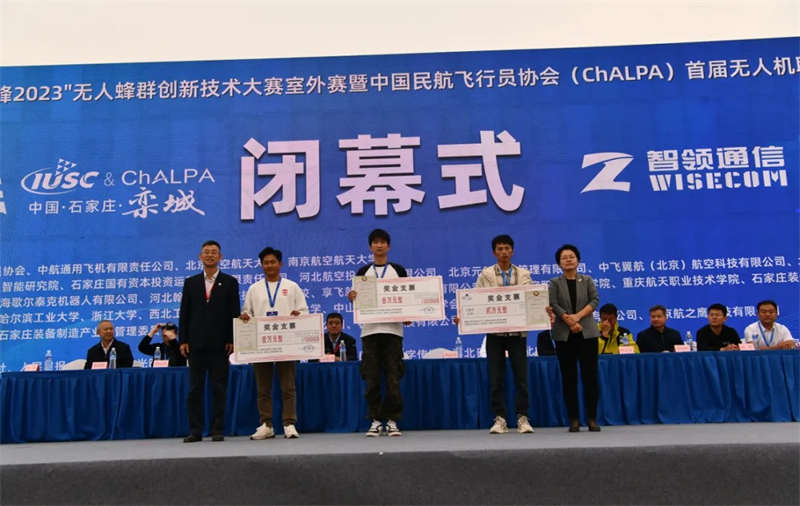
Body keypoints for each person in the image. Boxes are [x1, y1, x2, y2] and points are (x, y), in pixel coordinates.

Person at [457, 234, 535, 435]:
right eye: (500, 249)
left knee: (521, 378)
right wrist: (464, 316)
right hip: (495, 334)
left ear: (512, 251)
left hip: (517, 334)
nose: (504, 252)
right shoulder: (486, 275)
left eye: (507, 248)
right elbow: (475, 300)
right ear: (494, 253)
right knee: (496, 379)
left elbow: (532, 300)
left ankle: (523, 418)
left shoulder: (524, 274)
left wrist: (542, 311)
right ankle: (500, 418)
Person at [241, 247, 308, 440]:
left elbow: (304, 311)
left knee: (288, 387)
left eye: (273, 262)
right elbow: (247, 313)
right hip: (261, 344)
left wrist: (298, 314)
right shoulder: (254, 289)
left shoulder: (292, 287)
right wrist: (245, 316)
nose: (269, 265)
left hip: (286, 343)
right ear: (261, 265)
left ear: (281, 264)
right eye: (266, 263)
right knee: (263, 388)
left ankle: (289, 424)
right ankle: (266, 424)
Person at [179, 240, 241, 443]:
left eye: (214, 252)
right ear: (200, 257)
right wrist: (183, 340)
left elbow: (234, 312)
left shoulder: (230, 282)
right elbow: (185, 313)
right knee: (195, 389)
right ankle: (195, 431)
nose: (210, 255)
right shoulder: (191, 282)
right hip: (195, 344)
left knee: (218, 388)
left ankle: (217, 429)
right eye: (206, 252)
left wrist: (232, 339)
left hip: (220, 344)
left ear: (220, 257)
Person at [348, 229, 407, 437]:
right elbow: (359, 302)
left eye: (383, 242)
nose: (379, 245)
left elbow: (408, 297)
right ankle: (374, 419)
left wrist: (409, 314)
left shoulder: (398, 270)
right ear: (370, 247)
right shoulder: (363, 271)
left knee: (393, 377)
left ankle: (392, 420)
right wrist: (352, 298)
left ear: (388, 246)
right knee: (371, 377)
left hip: (393, 331)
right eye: (375, 242)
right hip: (370, 332)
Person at [549, 244, 601, 433]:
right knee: (569, 377)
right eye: (564, 258)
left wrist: (577, 317)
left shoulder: (587, 280)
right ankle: (574, 419)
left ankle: (592, 418)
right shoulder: (555, 282)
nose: (568, 260)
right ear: (559, 263)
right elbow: (553, 303)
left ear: (578, 260)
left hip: (587, 334)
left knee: (590, 377)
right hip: (564, 336)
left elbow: (594, 301)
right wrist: (568, 320)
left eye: (571, 256)